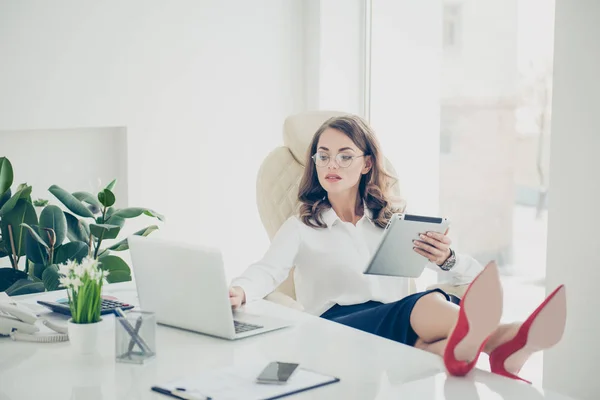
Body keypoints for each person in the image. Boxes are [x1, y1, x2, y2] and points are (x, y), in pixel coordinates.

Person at [229, 115, 567, 382]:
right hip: (334, 329)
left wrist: (446, 259)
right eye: (324, 156)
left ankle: (499, 346)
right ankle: (507, 337)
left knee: (436, 346)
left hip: (396, 327)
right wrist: (240, 290)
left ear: (366, 164)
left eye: (345, 156)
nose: (332, 165)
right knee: (425, 303)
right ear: (314, 163)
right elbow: (267, 270)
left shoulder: (391, 222)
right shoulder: (302, 226)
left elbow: (475, 276)